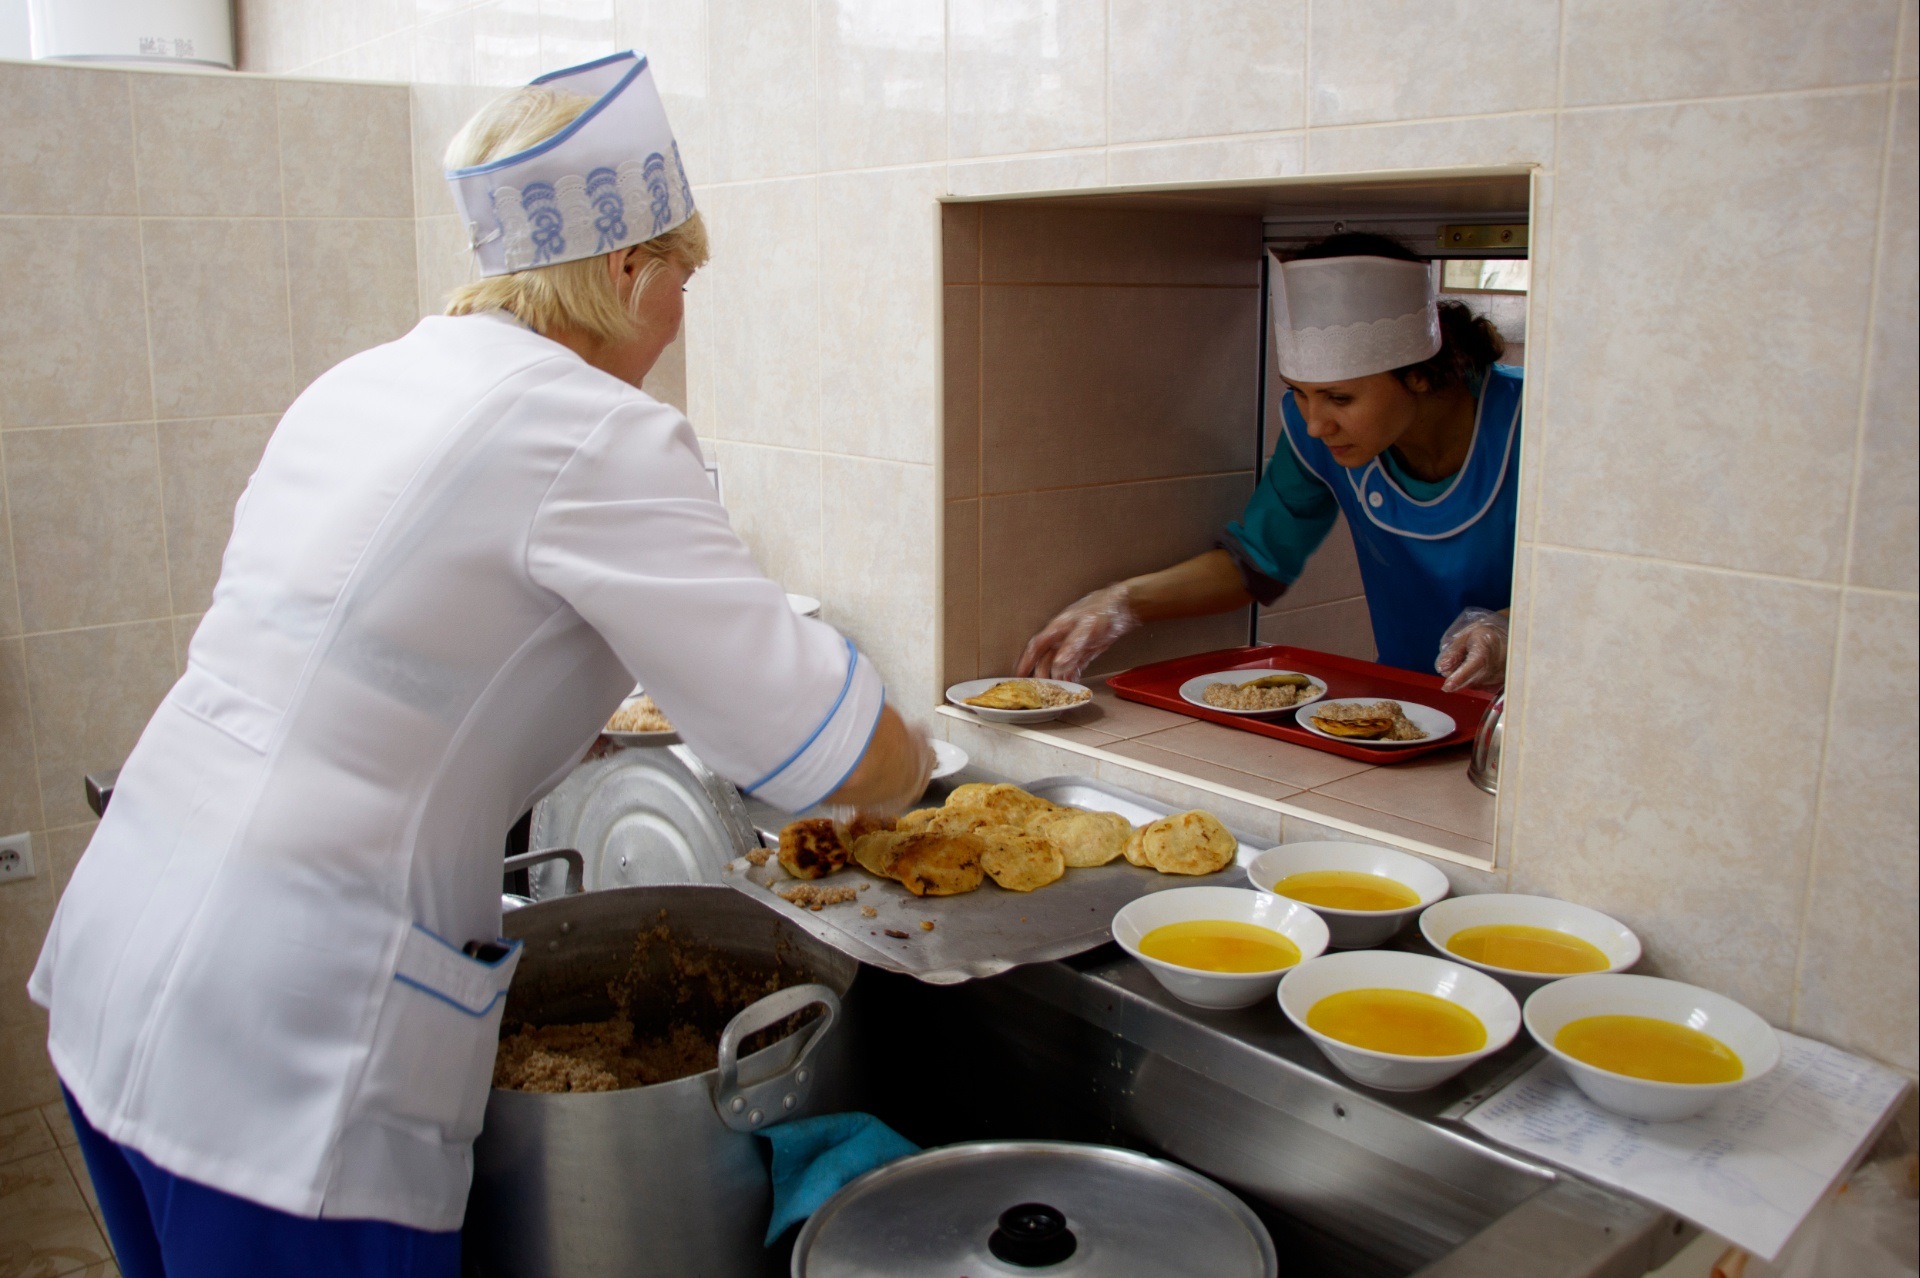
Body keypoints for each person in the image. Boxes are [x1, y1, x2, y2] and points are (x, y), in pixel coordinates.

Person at [28, 52, 927, 1278]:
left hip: (128, 955)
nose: (679, 313)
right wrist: (914, 755)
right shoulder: (597, 430)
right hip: (294, 1045)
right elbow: (828, 759)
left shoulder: (369, 382)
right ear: (624, 269)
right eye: (683, 276)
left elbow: (388, 665)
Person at [1018, 232, 1518, 694]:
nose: (1317, 423)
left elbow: (1595, 582)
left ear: (1421, 376)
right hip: (1415, 701)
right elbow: (1255, 562)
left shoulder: (1533, 425)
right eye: (1298, 393)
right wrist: (1119, 603)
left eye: (1340, 399)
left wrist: (1510, 631)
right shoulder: (1315, 432)